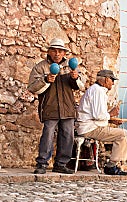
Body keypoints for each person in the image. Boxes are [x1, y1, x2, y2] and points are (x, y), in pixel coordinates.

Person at [28, 38, 86, 174]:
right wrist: (45, 80)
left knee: (68, 136)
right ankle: (42, 164)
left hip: (67, 108)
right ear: (49, 51)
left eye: (60, 51)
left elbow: (82, 86)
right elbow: (32, 87)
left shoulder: (70, 66)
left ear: (64, 53)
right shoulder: (40, 67)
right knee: (47, 135)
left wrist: (76, 78)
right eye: (54, 50)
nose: (57, 54)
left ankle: (61, 164)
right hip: (50, 107)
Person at [76, 70, 127, 175]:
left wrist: (110, 118)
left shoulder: (97, 90)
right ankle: (111, 165)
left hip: (90, 126)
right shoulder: (97, 91)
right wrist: (111, 114)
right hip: (90, 128)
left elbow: (98, 114)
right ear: (106, 79)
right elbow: (98, 116)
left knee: (123, 136)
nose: (113, 83)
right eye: (112, 80)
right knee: (123, 134)